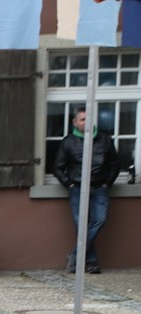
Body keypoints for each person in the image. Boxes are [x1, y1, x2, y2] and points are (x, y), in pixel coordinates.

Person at [53, 107, 119, 274]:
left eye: (88, 119)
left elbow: (115, 165)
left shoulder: (105, 140)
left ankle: (75, 255)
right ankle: (91, 262)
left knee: (99, 220)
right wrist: (70, 184)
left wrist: (107, 183)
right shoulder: (68, 142)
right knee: (81, 226)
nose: (86, 122)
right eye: (82, 119)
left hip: (99, 188)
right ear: (75, 122)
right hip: (77, 188)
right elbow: (57, 168)